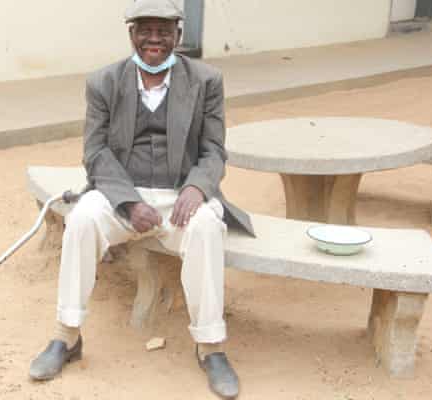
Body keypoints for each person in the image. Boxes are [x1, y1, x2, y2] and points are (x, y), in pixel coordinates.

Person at [29, 1, 255, 398]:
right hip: (121, 193)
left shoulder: (206, 80)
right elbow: (95, 152)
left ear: (178, 37)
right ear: (132, 34)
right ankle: (66, 337)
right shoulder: (104, 82)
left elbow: (215, 150)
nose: (155, 39)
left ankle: (211, 346)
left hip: (179, 194)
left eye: (164, 31)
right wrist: (128, 203)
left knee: (205, 227)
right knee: (81, 220)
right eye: (146, 30)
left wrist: (197, 187)